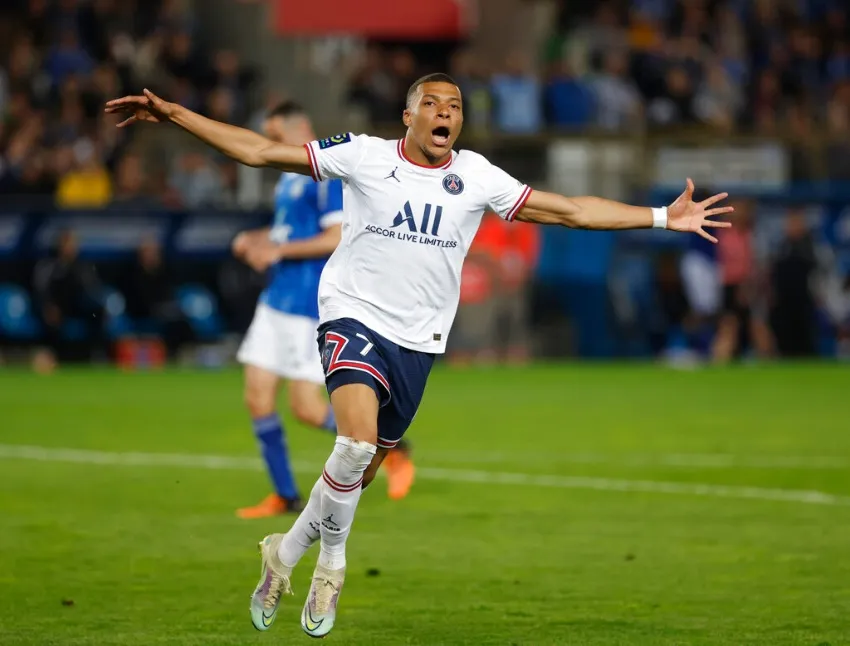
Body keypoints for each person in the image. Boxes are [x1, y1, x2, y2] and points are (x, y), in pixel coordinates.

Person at [105, 75, 733, 638]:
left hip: (419, 341)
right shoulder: (365, 157)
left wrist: (659, 217)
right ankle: (331, 567)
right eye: (431, 102)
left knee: (357, 473)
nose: (445, 112)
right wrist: (177, 113)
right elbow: (258, 150)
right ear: (408, 115)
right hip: (350, 314)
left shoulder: (478, 177)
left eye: (454, 105)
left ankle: (285, 552)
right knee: (352, 446)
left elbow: (570, 211)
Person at [230, 101, 416, 519]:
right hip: (275, 300)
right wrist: (256, 240)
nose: (272, 144)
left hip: (306, 303)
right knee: (257, 398)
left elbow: (334, 236)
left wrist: (275, 250)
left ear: (301, 128)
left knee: (307, 407)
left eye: (277, 136)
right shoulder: (286, 179)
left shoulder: (326, 176)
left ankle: (393, 446)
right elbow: (287, 231)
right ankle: (285, 495)